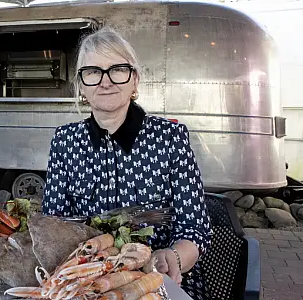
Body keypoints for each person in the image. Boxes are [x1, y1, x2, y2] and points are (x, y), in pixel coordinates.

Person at [41, 27, 212, 300]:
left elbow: (194, 228)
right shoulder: (65, 141)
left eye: (117, 69)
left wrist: (174, 257)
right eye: (93, 72)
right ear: (81, 85)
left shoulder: (170, 138)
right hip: (86, 281)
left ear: (135, 81)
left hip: (158, 282)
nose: (105, 82)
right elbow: (52, 224)